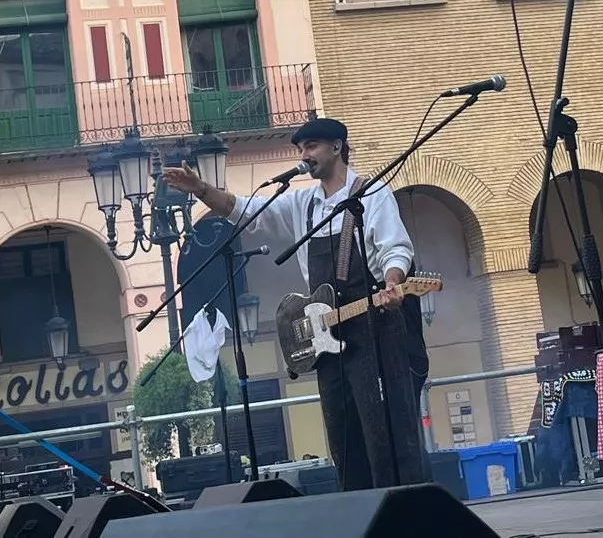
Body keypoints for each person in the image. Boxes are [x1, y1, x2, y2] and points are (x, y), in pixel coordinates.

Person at [164, 117, 426, 491]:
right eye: (301, 149)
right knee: (342, 433)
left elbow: (395, 248)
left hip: (374, 327)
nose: (305, 155)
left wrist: (392, 282)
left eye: (313, 146)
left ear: (337, 147)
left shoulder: (371, 194)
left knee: (382, 430)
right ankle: (359, 512)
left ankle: (401, 509)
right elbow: (243, 210)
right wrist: (200, 189)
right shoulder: (303, 204)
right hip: (328, 335)